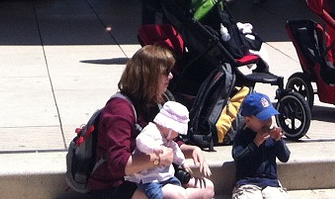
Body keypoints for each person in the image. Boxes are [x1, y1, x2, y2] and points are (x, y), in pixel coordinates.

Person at [86, 44, 214, 199]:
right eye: (166, 72)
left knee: (207, 188)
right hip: (114, 184)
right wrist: (157, 159)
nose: (171, 76)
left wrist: (190, 150)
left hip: (149, 175)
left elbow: (164, 139)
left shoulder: (155, 101)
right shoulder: (119, 110)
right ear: (149, 76)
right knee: (176, 196)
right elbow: (118, 165)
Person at [127, 100, 195, 199]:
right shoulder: (151, 130)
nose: (178, 135)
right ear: (170, 127)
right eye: (178, 131)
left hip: (165, 176)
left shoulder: (168, 140)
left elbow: (175, 150)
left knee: (177, 184)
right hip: (149, 178)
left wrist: (182, 162)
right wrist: (153, 148)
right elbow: (141, 141)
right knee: (155, 195)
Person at [230, 91, 291, 199]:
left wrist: (278, 140)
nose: (268, 122)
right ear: (248, 120)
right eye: (263, 118)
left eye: (269, 117)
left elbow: (285, 157)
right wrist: (255, 143)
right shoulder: (242, 136)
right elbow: (239, 159)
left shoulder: (272, 136)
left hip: (271, 184)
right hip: (247, 184)